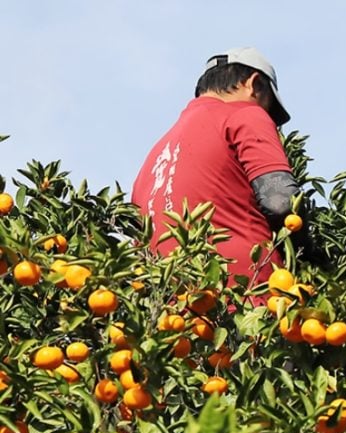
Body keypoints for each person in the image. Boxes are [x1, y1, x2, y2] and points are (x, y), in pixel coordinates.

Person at [132, 46, 323, 287]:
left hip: (174, 307)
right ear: (254, 84)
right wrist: (309, 258)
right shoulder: (244, 114)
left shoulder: (154, 158)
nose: (267, 116)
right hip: (247, 296)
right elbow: (280, 200)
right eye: (269, 107)